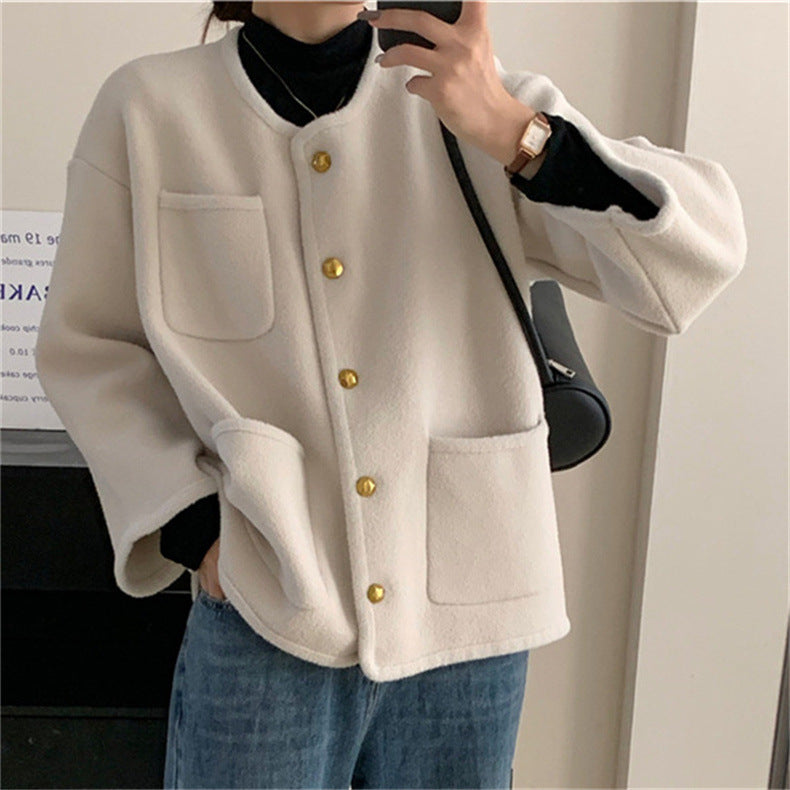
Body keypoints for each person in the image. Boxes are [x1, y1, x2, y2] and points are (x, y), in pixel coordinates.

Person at [34, 1, 747, 787]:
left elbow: (698, 258)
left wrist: (517, 134)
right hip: (270, 602)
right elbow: (90, 349)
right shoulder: (149, 109)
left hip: (470, 616)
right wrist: (195, 530)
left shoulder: (475, 103)